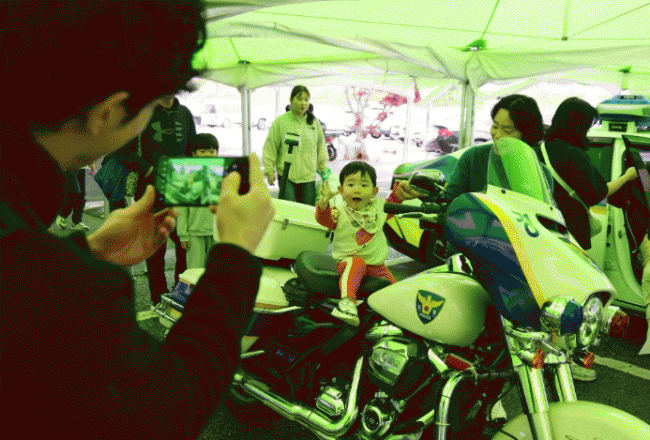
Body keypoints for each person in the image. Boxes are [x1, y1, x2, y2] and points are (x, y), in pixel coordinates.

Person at [1, 2, 275, 439]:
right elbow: (172, 408)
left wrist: (86, 253)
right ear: (107, 113)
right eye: (149, 109)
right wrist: (237, 253)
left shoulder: (34, 255)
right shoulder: (64, 288)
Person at [316, 161, 421, 326]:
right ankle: (346, 304)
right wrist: (323, 204)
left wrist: (402, 189)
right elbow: (325, 220)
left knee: (394, 292)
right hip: (348, 263)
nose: (357, 189)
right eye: (351, 184)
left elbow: (395, 200)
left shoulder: (379, 208)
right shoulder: (339, 211)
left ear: (374, 192)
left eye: (364, 185)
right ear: (341, 191)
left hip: (377, 266)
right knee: (356, 262)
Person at [533, 97, 639, 251]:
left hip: (544, 225)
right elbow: (596, 194)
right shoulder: (574, 155)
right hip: (570, 230)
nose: (588, 130)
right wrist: (627, 176)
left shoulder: (539, 149)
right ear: (578, 125)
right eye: (587, 126)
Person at [445, 94, 547, 201]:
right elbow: (448, 200)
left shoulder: (540, 173)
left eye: (507, 131)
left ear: (526, 135)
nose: (497, 135)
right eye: (495, 126)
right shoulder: (473, 157)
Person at [263, 85, 329, 204]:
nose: (303, 103)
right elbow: (270, 147)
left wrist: (324, 168)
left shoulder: (314, 123)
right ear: (291, 100)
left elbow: (321, 147)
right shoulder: (280, 122)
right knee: (288, 210)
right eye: (299, 99)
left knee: (307, 211)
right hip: (286, 175)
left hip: (308, 176)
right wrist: (269, 171)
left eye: (306, 99)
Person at [179, 133, 220, 269]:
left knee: (216, 270)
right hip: (194, 232)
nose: (208, 155)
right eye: (203, 151)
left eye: (212, 151)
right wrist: (183, 235)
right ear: (194, 153)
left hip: (218, 232)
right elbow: (182, 209)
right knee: (194, 270)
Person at [55, 165, 95, 231]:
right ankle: (62, 214)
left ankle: (77, 222)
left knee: (81, 195)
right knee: (74, 193)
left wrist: (92, 166)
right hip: (69, 166)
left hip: (82, 167)